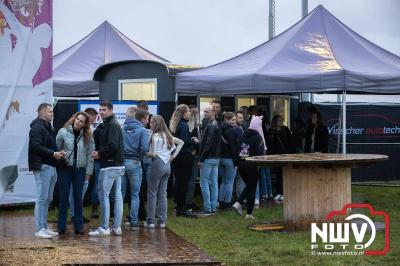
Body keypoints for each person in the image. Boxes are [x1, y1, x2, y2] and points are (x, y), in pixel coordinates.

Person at [89, 101, 125, 237]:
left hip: (110, 165)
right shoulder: (108, 124)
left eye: (104, 109)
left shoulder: (112, 125)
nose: (101, 112)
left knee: (103, 195)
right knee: (117, 196)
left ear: (111, 110)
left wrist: (99, 153)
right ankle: (116, 227)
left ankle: (104, 227)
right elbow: (98, 135)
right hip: (116, 165)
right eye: (100, 109)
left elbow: (113, 146)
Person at [56, 112, 95, 235]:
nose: (78, 122)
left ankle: (78, 226)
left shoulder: (88, 136)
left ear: (85, 124)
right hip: (65, 168)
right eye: (77, 119)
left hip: (80, 169)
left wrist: (89, 172)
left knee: (78, 197)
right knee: (64, 196)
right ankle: (61, 226)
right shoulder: (63, 132)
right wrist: (61, 154)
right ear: (74, 119)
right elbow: (56, 149)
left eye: (81, 121)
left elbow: (90, 155)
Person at [29, 103, 63, 238]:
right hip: (43, 166)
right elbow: (35, 146)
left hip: (51, 166)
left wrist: (57, 152)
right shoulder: (37, 127)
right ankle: (39, 229)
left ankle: (44, 226)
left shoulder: (47, 127)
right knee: (41, 198)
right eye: (50, 112)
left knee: (47, 199)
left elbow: (46, 146)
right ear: (42, 112)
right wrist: (52, 154)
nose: (52, 114)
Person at [146, 115, 184, 228]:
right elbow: (181, 142)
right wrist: (174, 156)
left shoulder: (155, 136)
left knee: (152, 193)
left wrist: (144, 152)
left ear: (156, 124)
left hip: (157, 164)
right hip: (167, 165)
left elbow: (152, 154)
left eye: (152, 122)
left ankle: (150, 220)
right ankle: (162, 221)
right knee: (163, 194)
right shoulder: (168, 135)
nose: (150, 124)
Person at [121, 108, 150, 230]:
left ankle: (117, 222)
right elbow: (144, 148)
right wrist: (141, 154)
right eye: (147, 119)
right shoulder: (142, 130)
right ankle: (133, 222)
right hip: (135, 162)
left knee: (120, 194)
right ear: (141, 118)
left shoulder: (122, 129)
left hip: (122, 162)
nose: (147, 121)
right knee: (135, 194)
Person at [232, 115, 266, 219]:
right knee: (252, 187)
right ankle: (242, 207)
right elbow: (260, 154)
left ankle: (247, 212)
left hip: (241, 165)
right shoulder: (258, 137)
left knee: (250, 187)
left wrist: (237, 163)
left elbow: (237, 149)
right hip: (252, 165)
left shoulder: (242, 135)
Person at [69, 108, 98, 221]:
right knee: (77, 192)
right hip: (78, 167)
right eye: (94, 117)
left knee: (76, 192)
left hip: (82, 167)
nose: (95, 120)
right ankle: (76, 215)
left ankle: (75, 214)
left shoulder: (88, 131)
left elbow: (90, 152)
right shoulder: (85, 131)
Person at [170, 104, 199, 217]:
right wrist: (192, 140)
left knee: (178, 182)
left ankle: (178, 206)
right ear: (183, 113)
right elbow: (183, 141)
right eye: (187, 112)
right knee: (183, 183)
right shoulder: (183, 125)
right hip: (184, 157)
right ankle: (181, 209)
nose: (189, 114)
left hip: (177, 157)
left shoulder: (177, 125)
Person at [198, 105, 221, 215]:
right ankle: (213, 206)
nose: (205, 113)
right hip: (216, 158)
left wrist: (201, 158)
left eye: (207, 112)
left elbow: (208, 144)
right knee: (214, 183)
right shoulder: (215, 124)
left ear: (213, 112)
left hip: (208, 158)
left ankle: (208, 207)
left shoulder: (211, 125)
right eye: (204, 111)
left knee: (204, 182)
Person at [266, 115, 293, 201]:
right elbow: (269, 144)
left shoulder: (285, 129)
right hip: (276, 156)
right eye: (279, 120)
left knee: (285, 174)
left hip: (285, 155)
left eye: (282, 120)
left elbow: (290, 142)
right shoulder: (271, 131)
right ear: (275, 122)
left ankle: (284, 192)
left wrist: (289, 153)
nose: (281, 122)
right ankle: (278, 192)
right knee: (278, 174)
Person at [219, 112, 242, 209]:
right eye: (232, 120)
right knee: (229, 182)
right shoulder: (232, 131)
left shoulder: (219, 128)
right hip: (229, 160)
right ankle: (227, 203)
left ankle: (221, 201)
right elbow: (233, 147)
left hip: (220, 158)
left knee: (224, 181)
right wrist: (236, 161)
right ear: (226, 120)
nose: (234, 122)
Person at [136, 100, 152, 225]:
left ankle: (149, 211)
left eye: (139, 108)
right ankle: (142, 211)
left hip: (148, 158)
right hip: (141, 158)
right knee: (141, 185)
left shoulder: (151, 120)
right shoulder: (138, 123)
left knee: (149, 185)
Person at [186, 105, 200, 210]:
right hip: (193, 156)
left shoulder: (185, 126)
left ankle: (186, 201)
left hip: (186, 155)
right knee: (191, 180)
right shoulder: (195, 128)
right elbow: (195, 144)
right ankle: (189, 202)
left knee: (186, 179)